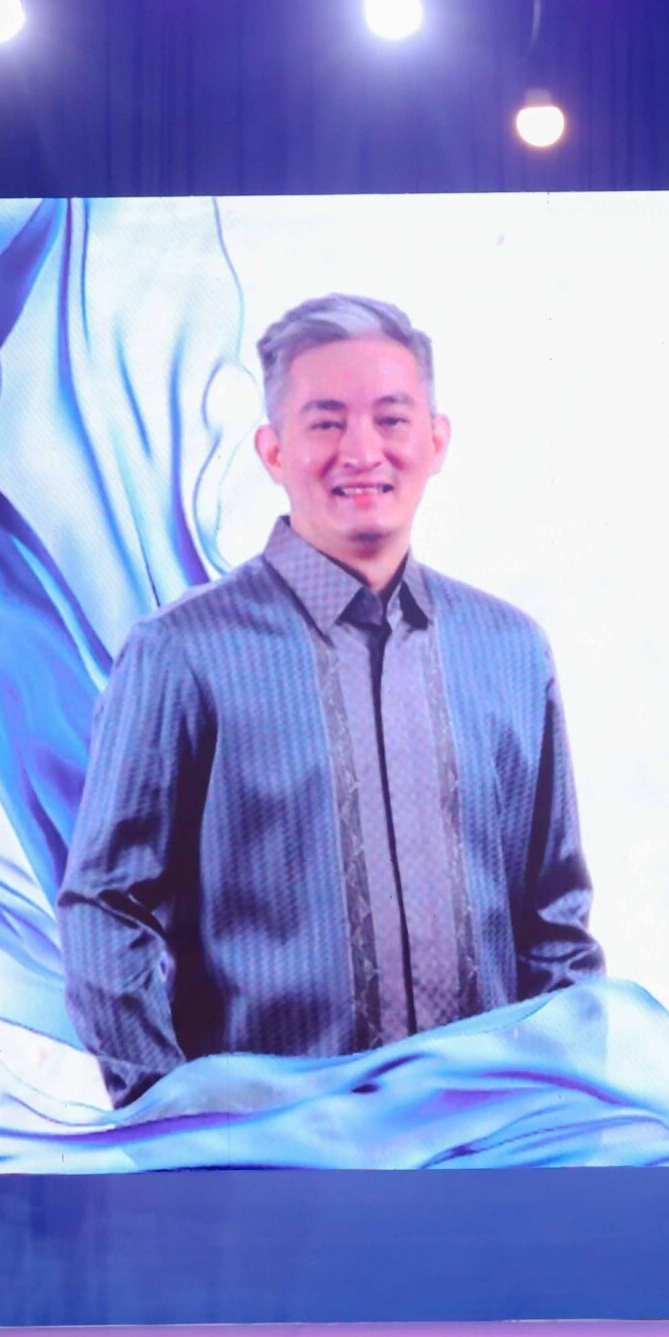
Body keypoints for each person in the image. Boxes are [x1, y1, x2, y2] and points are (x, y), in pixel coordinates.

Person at [59, 292, 604, 1103]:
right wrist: (174, 1121)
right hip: (276, 1155)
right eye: (325, 422)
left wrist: (559, 1108)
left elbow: (554, 922)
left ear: (436, 440)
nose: (362, 451)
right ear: (273, 450)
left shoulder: (509, 651)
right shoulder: (182, 655)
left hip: (486, 1145)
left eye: (391, 419)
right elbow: (105, 908)